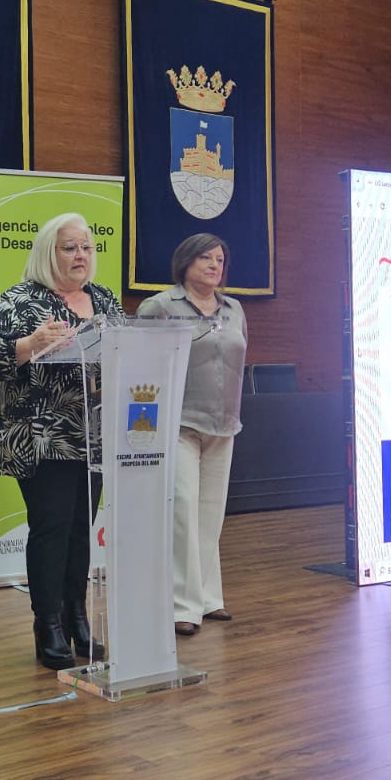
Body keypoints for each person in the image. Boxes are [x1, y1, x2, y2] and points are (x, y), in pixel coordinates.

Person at [0, 214, 123, 670]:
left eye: (86, 247)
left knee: (81, 528)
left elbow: (124, 351)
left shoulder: (104, 299)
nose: (81, 255)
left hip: (92, 436)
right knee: (52, 527)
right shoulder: (20, 299)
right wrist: (28, 344)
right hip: (40, 435)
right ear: (48, 252)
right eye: (70, 248)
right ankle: (49, 624)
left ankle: (78, 617)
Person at [139, 233, 247, 637]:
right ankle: (182, 605)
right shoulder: (160, 307)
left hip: (224, 423)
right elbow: (140, 364)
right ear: (185, 262)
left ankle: (208, 597)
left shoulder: (234, 309)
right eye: (205, 258)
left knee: (210, 516)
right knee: (183, 513)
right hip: (178, 423)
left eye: (220, 259)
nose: (214, 265)